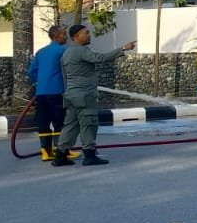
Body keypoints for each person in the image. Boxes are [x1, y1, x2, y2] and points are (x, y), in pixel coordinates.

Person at [57, 24, 135, 167]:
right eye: (86, 33)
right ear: (76, 37)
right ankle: (89, 155)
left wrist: (69, 91)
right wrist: (123, 49)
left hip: (72, 95)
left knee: (70, 125)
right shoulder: (80, 51)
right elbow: (101, 58)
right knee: (89, 123)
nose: (89, 35)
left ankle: (60, 155)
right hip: (84, 95)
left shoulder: (66, 53)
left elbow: (64, 76)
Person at [27, 25, 70, 162]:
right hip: (57, 91)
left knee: (43, 122)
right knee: (60, 122)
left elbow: (31, 72)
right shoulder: (63, 51)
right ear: (56, 36)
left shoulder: (41, 52)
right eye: (64, 34)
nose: (66, 37)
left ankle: (46, 152)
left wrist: (41, 83)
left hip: (41, 93)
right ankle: (62, 151)